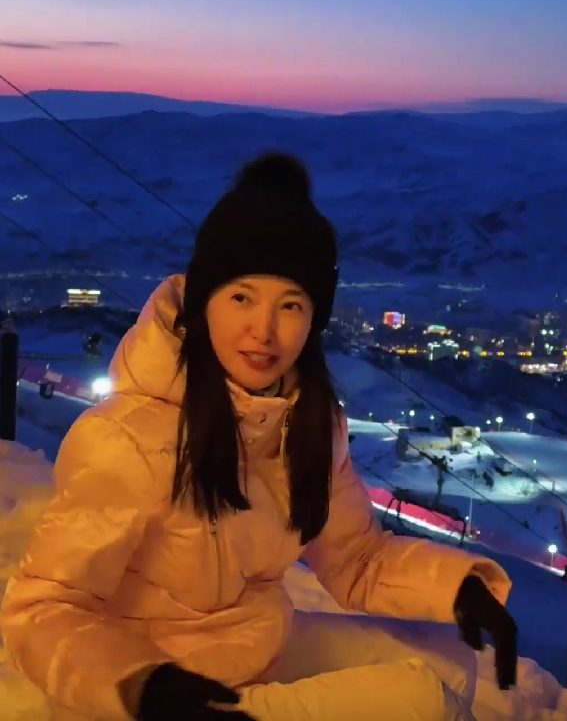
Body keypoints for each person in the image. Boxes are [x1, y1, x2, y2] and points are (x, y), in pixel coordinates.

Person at [0, 153, 517, 721]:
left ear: (313, 320)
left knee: (450, 663)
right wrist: (142, 684)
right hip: (158, 689)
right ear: (204, 303)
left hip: (251, 647)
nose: (263, 331)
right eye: (241, 297)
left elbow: (357, 559)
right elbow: (41, 609)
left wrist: (459, 590)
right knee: (423, 703)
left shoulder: (307, 424)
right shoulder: (128, 439)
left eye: (290, 305)